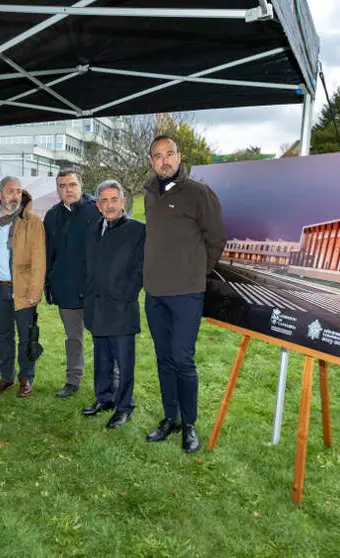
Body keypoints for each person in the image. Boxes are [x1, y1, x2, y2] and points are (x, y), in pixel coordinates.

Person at [142, 135, 225, 454]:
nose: (164, 160)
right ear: (151, 161)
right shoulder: (149, 194)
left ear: (179, 157)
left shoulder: (198, 193)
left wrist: (197, 272)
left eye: (170, 154)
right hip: (155, 293)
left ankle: (189, 425)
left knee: (182, 359)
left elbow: (216, 239)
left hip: (186, 293)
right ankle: (171, 417)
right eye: (158, 155)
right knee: (164, 358)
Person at [81, 180, 145, 429]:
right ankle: (104, 398)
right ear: (98, 206)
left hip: (121, 307)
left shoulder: (138, 230)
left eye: (113, 200)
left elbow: (141, 268)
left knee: (123, 360)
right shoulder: (94, 229)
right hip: (96, 306)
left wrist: (126, 292)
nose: (109, 205)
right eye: (104, 201)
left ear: (123, 202)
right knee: (102, 358)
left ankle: (124, 405)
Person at [0, 177, 46, 398]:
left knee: (27, 337)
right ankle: (6, 377)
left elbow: (39, 259)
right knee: (4, 337)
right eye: (10, 191)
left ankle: (26, 378)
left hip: (24, 289)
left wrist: (35, 292)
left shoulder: (32, 220)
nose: (15, 196)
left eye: (19, 191)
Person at [42, 169, 102, 398]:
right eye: (62, 185)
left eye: (72, 184)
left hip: (94, 289)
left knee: (103, 337)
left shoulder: (96, 210)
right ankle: (72, 380)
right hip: (66, 288)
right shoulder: (52, 216)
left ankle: (108, 381)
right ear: (57, 189)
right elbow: (48, 253)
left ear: (81, 185)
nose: (68, 189)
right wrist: (49, 282)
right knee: (73, 339)